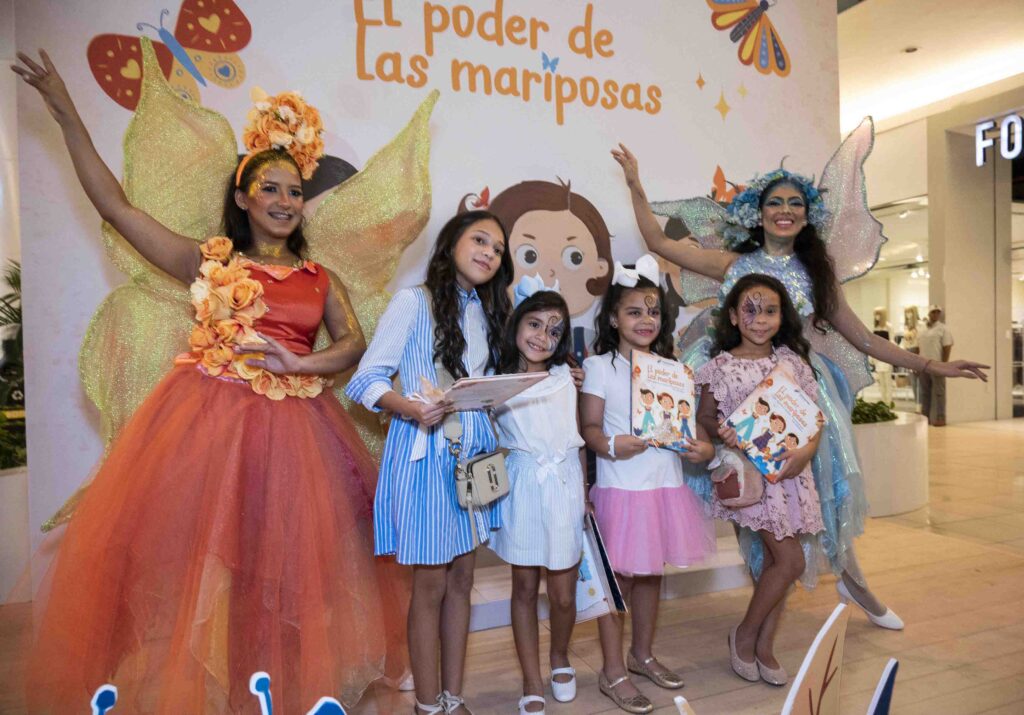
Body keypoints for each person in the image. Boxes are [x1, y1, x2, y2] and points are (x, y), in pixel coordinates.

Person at [12, 51, 409, 712]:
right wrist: (64, 111)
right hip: (210, 428)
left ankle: (267, 686)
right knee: (194, 557)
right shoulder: (209, 263)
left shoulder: (320, 278)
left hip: (297, 437)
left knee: (280, 568)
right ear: (243, 198)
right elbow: (116, 207)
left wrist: (301, 364)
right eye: (270, 189)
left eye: (294, 191)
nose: (285, 201)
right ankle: (205, 684)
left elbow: (353, 343)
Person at [611, 132, 988, 631]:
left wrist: (930, 366)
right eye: (775, 202)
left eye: (795, 203)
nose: (784, 211)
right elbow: (660, 244)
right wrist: (636, 185)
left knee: (824, 496)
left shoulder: (816, 273)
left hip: (798, 397)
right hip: (735, 389)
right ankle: (764, 597)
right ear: (758, 212)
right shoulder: (734, 264)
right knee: (745, 497)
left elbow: (863, 338)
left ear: (808, 216)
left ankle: (854, 582)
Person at [346, 210, 513, 715]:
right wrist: (411, 407)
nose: (489, 253)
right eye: (479, 240)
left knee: (463, 579)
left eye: (498, 249)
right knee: (431, 583)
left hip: (473, 455)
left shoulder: (488, 311)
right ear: (451, 243)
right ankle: (426, 704)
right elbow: (366, 379)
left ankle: (453, 698)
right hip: (425, 453)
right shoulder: (412, 302)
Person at [579, 258, 716, 714]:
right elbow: (589, 428)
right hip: (622, 487)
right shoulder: (599, 366)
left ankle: (641, 654)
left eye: (653, 311)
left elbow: (687, 429)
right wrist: (613, 445)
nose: (645, 320)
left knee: (651, 574)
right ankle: (612, 669)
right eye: (634, 311)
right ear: (613, 318)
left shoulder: (672, 370)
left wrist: (699, 448)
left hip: (664, 486)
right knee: (616, 582)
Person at [695, 274, 825, 686]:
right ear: (733, 316)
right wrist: (722, 432)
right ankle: (744, 634)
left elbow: (814, 419)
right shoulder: (720, 368)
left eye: (770, 310)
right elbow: (704, 418)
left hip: (790, 476)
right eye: (750, 310)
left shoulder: (792, 363)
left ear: (782, 316)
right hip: (752, 479)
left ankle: (764, 647)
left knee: (775, 565)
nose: (760, 319)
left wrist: (805, 452)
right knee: (791, 561)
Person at [489, 286, 585, 715]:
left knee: (563, 594)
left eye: (554, 330)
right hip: (523, 484)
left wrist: (586, 493)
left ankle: (560, 655)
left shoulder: (567, 377)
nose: (542, 337)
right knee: (524, 587)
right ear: (517, 324)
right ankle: (530, 678)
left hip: (564, 483)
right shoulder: (496, 380)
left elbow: (578, 439)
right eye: (534, 324)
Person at [918, 305, 954, 426]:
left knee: (939, 392)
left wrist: (944, 365)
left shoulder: (943, 328)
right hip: (923, 365)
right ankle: (925, 417)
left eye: (938, 312)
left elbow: (947, 347)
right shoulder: (921, 328)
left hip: (936, 364)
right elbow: (919, 347)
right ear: (929, 313)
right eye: (933, 312)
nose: (936, 314)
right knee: (925, 393)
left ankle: (940, 417)